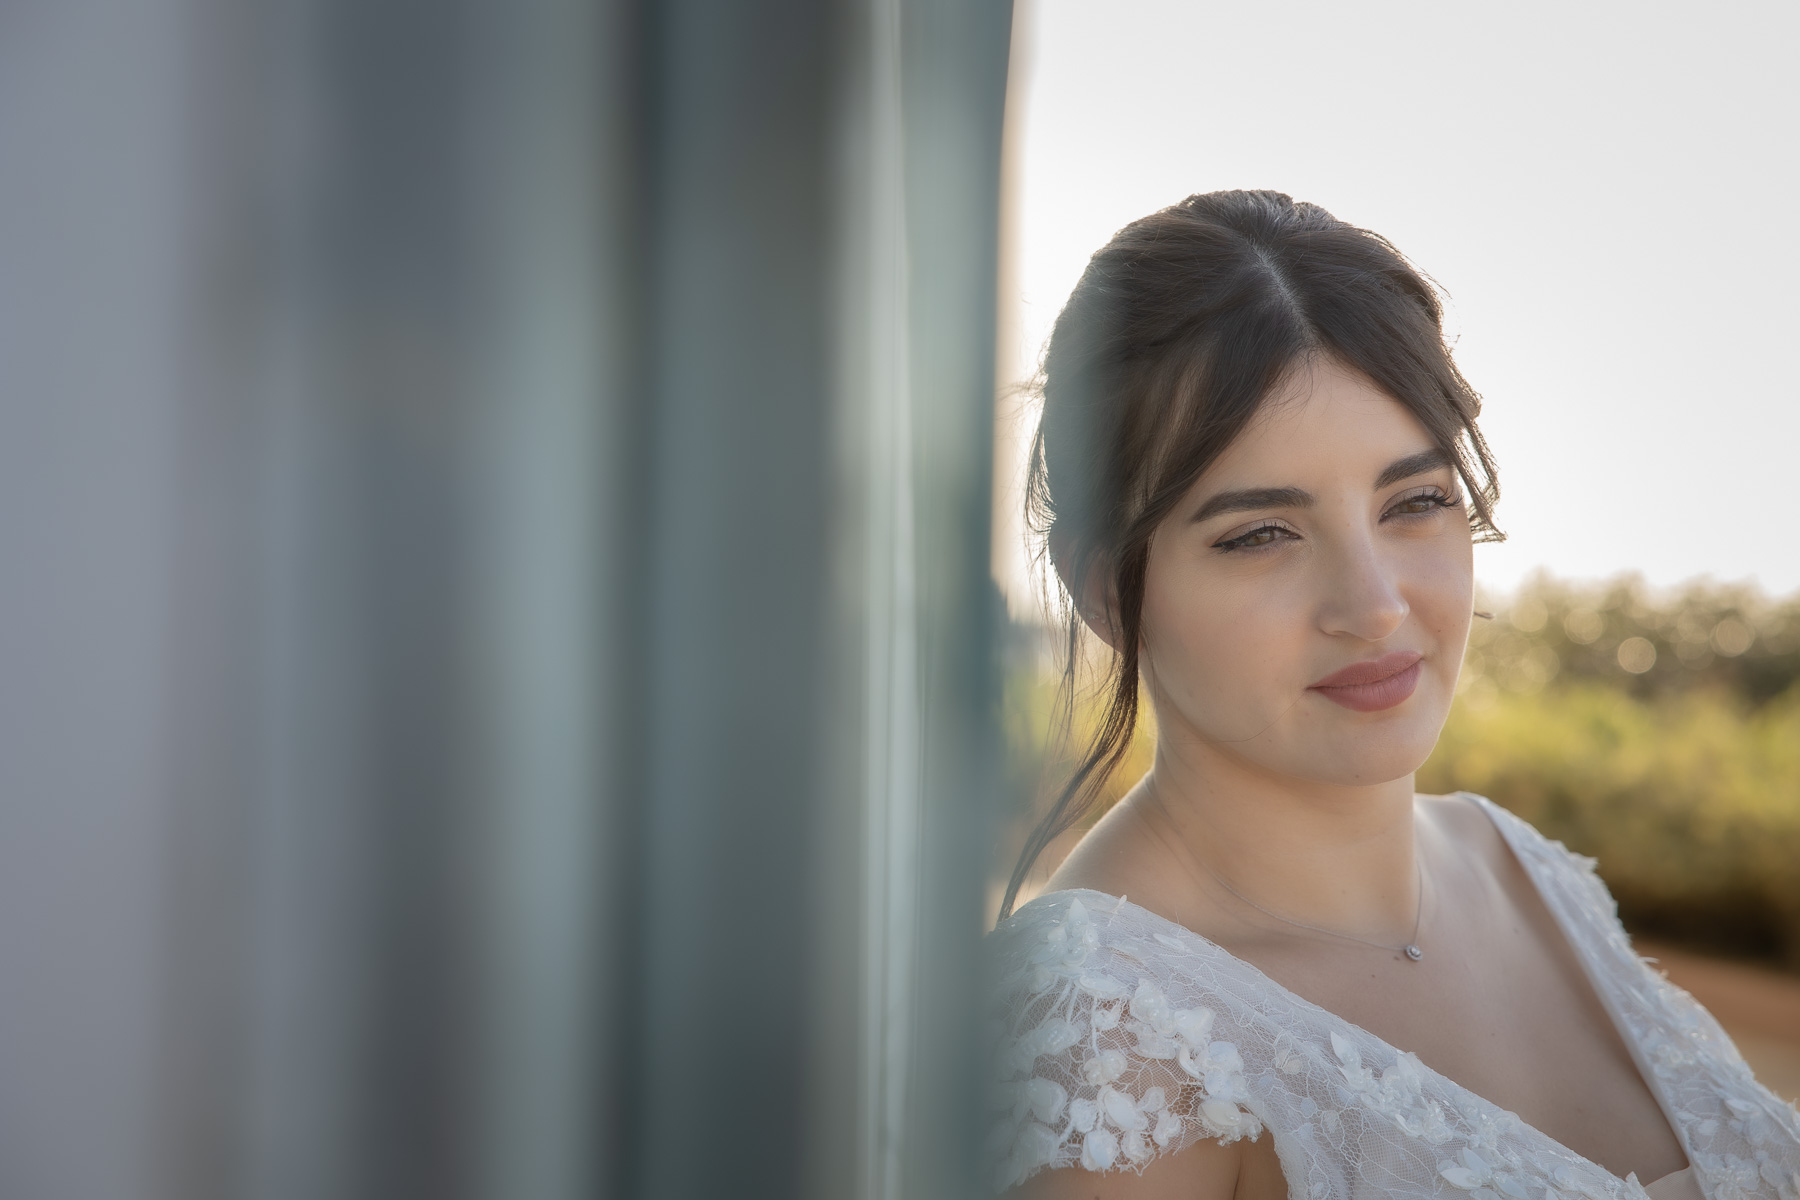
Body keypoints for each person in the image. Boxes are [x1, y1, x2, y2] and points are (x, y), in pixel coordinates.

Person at [986, 191, 1800, 1200]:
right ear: (1108, 588)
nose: (1373, 607)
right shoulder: (1105, 1036)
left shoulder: (1522, 868)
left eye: (1415, 502)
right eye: (1259, 534)